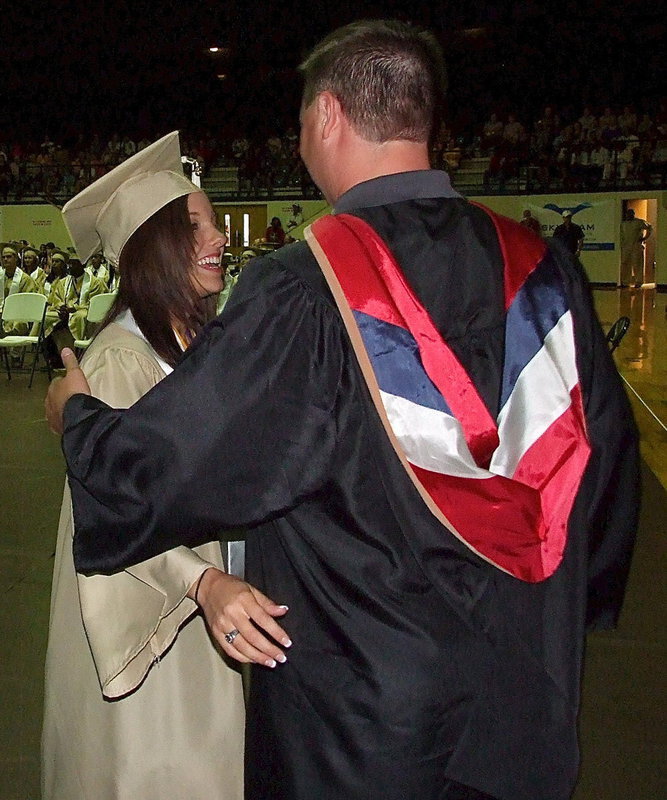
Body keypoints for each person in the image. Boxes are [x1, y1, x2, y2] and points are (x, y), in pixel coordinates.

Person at [47, 21, 639, 800]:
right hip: (525, 710)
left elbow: (170, 472)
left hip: (362, 731)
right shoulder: (545, 275)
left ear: (327, 116)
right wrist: (557, 617)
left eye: (298, 127)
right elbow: (604, 485)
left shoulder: (306, 289)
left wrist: (79, 421)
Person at [42, 132, 291, 800]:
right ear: (151, 249)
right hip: (153, 618)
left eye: (212, 221)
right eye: (194, 225)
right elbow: (119, 503)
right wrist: (204, 582)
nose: (219, 236)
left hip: (199, 609)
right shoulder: (121, 360)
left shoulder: (191, 344)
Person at [619, 207, 652, 287]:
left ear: (633, 214)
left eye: (631, 213)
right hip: (626, 246)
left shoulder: (639, 222)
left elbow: (649, 227)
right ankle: (625, 282)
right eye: (628, 214)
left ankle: (639, 281)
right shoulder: (623, 224)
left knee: (637, 264)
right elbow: (621, 235)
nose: (629, 215)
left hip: (636, 245)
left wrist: (645, 237)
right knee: (625, 264)